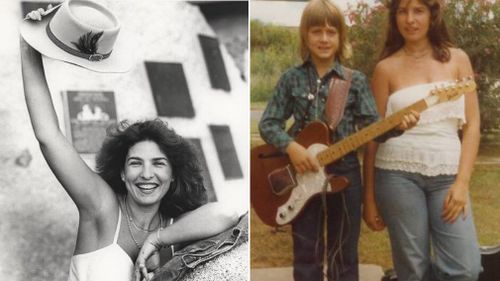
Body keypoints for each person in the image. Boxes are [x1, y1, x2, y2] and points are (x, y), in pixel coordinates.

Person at [20, 25, 237, 281]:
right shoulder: (102, 207)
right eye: (135, 163)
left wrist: (157, 239)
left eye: (158, 163)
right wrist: (29, 45)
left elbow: (227, 213)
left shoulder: (174, 227)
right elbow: (48, 136)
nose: (147, 174)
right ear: (122, 173)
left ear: (173, 174)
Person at [258, 1, 417, 280]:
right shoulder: (291, 79)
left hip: (345, 174)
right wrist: (292, 148)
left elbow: (372, 128)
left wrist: (396, 126)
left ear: (341, 37)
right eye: (316, 31)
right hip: (303, 175)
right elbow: (268, 123)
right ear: (305, 35)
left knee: (344, 251)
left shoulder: (354, 81)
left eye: (331, 32)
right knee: (307, 251)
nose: (324, 38)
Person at [363, 0, 482, 280]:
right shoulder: (385, 69)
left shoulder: (458, 59)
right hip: (396, 176)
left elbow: (473, 124)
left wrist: (462, 182)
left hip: (448, 176)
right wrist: (368, 198)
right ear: (395, 18)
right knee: (413, 271)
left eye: (418, 10)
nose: (410, 19)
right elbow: (372, 138)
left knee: (465, 269)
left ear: (432, 15)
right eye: (403, 11)